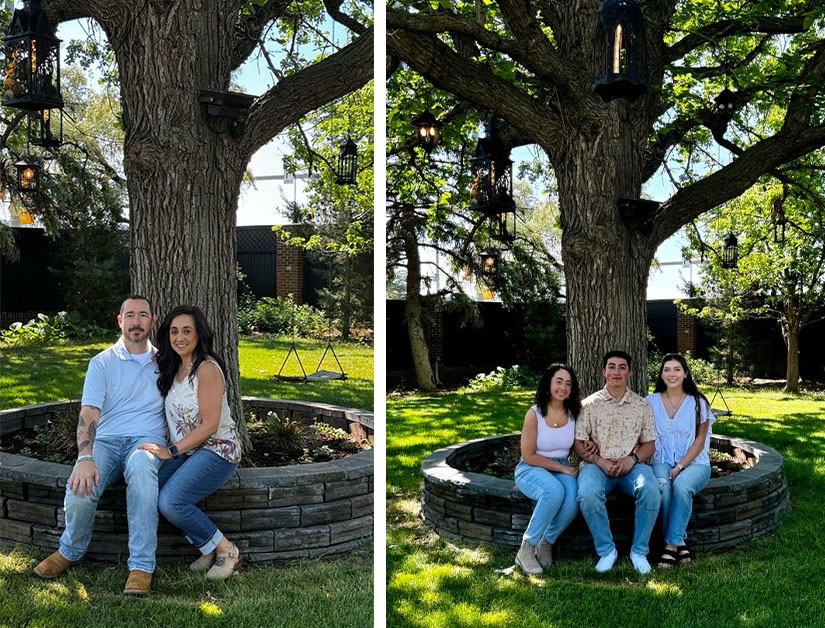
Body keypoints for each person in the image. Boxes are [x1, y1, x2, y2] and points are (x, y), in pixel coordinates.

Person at [33, 296, 168, 595]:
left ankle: (141, 565)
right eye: (129, 315)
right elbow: (89, 412)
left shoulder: (166, 363)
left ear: (152, 320)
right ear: (120, 321)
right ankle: (70, 550)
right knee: (80, 485)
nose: (136, 322)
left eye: (142, 315)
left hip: (147, 442)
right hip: (106, 441)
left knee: (142, 468)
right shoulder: (102, 362)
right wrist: (85, 457)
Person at [137, 305, 242, 581]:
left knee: (171, 501)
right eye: (174, 332)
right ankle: (207, 547)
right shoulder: (174, 366)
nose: (179, 337)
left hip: (218, 449)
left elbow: (209, 425)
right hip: (191, 450)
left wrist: (170, 451)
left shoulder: (206, 369)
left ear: (199, 334)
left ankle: (227, 549)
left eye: (186, 331)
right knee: (150, 491)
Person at [574, 350, 660, 574]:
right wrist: (599, 461)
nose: (616, 372)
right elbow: (579, 443)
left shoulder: (641, 405)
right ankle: (606, 551)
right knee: (588, 494)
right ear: (604, 372)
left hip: (631, 467)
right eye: (611, 367)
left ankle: (639, 551)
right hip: (596, 466)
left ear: (629, 373)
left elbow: (649, 444)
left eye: (622, 367)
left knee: (651, 490)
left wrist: (632, 459)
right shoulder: (589, 404)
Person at [513, 364, 587, 574]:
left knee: (573, 498)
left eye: (568, 384)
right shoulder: (534, 414)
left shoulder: (574, 413)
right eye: (559, 381)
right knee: (553, 491)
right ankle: (526, 549)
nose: (563, 387)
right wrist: (561, 468)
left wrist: (589, 447)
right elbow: (528, 455)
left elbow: (577, 442)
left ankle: (545, 543)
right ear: (548, 384)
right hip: (531, 467)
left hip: (561, 466)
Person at [646, 353, 714, 568]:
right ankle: (680, 541)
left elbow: (700, 441)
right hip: (660, 459)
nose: (672, 374)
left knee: (682, 487)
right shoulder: (650, 402)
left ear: (685, 373)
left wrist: (680, 466)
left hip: (695, 463)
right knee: (663, 488)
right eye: (667, 370)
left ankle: (670, 546)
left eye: (677, 369)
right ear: (661, 374)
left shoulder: (698, 402)